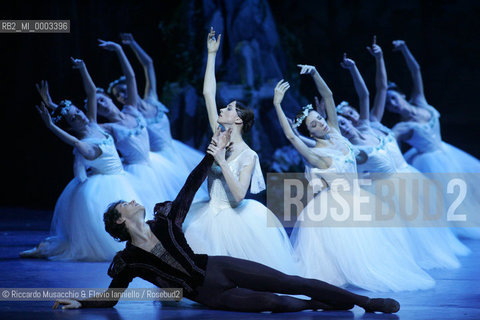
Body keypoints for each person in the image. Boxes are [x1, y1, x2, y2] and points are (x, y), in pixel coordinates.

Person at [52, 128, 400, 314]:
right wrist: (81, 301)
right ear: (120, 220)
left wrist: (212, 154)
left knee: (291, 281)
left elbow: (189, 187)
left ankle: (368, 304)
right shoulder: (127, 260)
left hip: (219, 266)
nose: (133, 200)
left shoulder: (166, 222)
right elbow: (113, 296)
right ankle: (320, 305)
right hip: (208, 293)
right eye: (124, 205)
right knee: (274, 304)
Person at [273, 64, 435, 292]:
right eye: (314, 124)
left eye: (320, 118)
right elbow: (291, 136)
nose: (320, 123)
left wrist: (315, 73)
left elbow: (328, 96)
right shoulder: (316, 153)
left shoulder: (337, 134)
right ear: (310, 132)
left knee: (369, 247)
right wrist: (277, 104)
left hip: (359, 197)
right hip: (335, 205)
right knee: (338, 253)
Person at [337, 41, 469, 269]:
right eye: (346, 118)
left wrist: (377, 59)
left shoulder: (373, 122)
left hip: (409, 176)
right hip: (388, 185)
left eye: (351, 112)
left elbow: (376, 89)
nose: (351, 117)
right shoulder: (354, 139)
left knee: (425, 219)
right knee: (405, 225)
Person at [182, 27, 298, 275]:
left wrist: (222, 161)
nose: (224, 108)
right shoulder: (217, 131)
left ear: (238, 121)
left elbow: (238, 196)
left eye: (230, 108)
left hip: (234, 219)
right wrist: (211, 54)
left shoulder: (249, 155)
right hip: (207, 212)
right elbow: (207, 93)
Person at [20, 58, 140, 261]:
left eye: (79, 112)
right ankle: (46, 249)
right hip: (108, 182)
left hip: (120, 177)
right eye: (75, 118)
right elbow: (75, 142)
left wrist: (83, 68)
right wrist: (51, 126)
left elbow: (92, 92)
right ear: (71, 126)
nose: (81, 116)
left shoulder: (93, 122)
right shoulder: (85, 142)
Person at [386, 40, 480, 238]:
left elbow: (416, 71)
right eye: (388, 104)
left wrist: (404, 48)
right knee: (447, 197)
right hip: (428, 162)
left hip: (446, 152)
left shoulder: (420, 101)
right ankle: (448, 229)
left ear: (402, 95)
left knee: (468, 187)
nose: (393, 104)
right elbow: (389, 144)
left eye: (394, 98)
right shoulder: (401, 127)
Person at [110, 33, 206, 174]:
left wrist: (132, 43)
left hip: (177, 152)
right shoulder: (130, 115)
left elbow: (148, 64)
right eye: (117, 95)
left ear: (131, 87)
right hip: (160, 163)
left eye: (123, 91)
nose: (121, 96)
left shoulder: (152, 99)